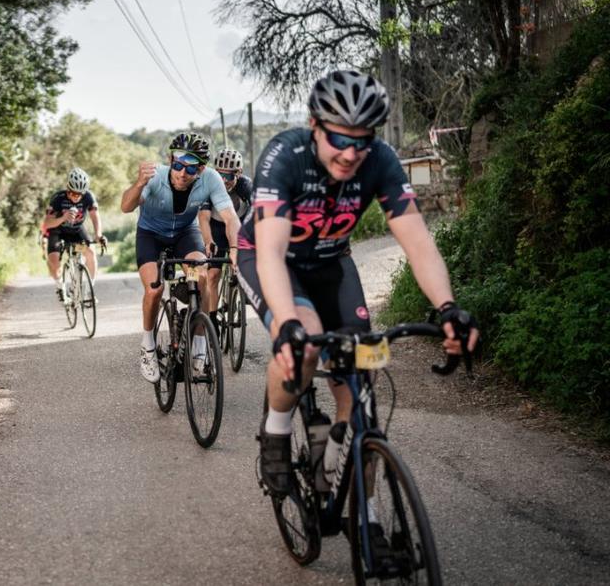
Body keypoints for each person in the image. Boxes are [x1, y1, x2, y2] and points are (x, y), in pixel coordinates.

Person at [238, 70, 479, 496]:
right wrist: (286, 326)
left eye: (362, 140)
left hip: (332, 261)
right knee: (307, 344)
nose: (351, 154)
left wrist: (447, 307)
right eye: (339, 139)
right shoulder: (285, 156)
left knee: (363, 368)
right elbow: (272, 253)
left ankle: (359, 507)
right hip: (271, 259)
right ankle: (274, 434)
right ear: (315, 126)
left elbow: (419, 243)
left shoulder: (381, 160)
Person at [120, 132, 241, 382]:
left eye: (191, 168)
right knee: (154, 289)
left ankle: (198, 348)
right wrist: (139, 183)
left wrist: (236, 249)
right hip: (151, 234)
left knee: (202, 276)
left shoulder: (211, 179)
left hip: (185, 233)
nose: (182, 173)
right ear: (170, 159)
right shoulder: (155, 177)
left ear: (202, 168)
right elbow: (126, 206)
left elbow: (230, 217)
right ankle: (148, 345)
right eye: (177, 164)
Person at [197, 148, 252, 326]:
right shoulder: (209, 185)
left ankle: (241, 291)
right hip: (216, 228)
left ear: (239, 174)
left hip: (239, 225)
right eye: (220, 175)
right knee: (213, 275)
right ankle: (213, 319)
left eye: (228, 176)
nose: (223, 181)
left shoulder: (246, 187)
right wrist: (208, 241)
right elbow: (204, 219)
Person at [41, 167, 104, 300]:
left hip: (76, 231)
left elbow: (95, 216)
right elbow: (46, 223)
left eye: (79, 194)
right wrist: (63, 218)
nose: (76, 197)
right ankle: (59, 285)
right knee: (54, 261)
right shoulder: (58, 198)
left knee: (90, 253)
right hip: (57, 231)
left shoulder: (88, 197)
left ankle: (88, 292)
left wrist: (98, 235)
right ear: (68, 189)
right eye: (73, 193)